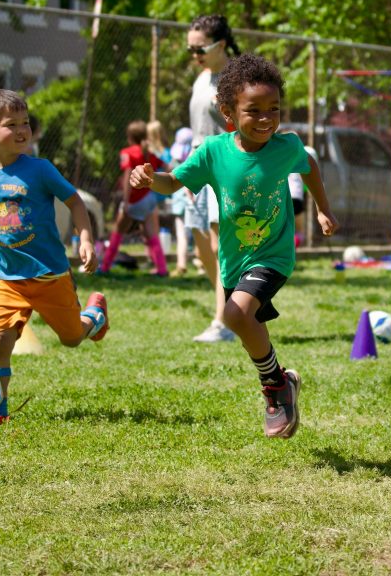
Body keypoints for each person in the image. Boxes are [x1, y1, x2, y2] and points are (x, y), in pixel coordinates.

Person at [129, 53, 339, 439]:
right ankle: (281, 380)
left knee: (236, 315)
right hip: (234, 259)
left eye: (273, 109)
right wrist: (148, 178)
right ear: (228, 111)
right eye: (254, 111)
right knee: (238, 319)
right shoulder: (213, 151)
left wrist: (323, 210)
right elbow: (173, 182)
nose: (265, 119)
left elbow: (309, 165)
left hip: (273, 253)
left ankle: (274, 390)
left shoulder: (285, 147)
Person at [0, 89, 109, 425]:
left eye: (25, 123)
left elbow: (76, 202)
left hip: (50, 275)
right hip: (8, 280)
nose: (23, 130)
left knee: (71, 339)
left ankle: (93, 317)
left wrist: (85, 239)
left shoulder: (40, 170)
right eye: (12, 125)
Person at [186, 14, 239, 342]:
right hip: (197, 165)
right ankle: (230, 307)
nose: (194, 56)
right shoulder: (202, 77)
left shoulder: (234, 79)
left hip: (223, 166)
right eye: (190, 50)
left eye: (199, 49)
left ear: (220, 45)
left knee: (222, 247)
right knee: (200, 244)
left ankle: (224, 323)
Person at [100, 120, 168, 276]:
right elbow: (167, 167)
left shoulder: (128, 153)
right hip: (149, 198)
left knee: (117, 232)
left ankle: (104, 267)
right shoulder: (149, 153)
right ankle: (162, 269)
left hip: (134, 200)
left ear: (129, 137)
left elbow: (128, 177)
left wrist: (125, 201)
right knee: (152, 235)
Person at [168, 127, 196, 276]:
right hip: (193, 201)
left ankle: (181, 264)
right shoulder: (195, 160)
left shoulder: (175, 161)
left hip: (180, 203)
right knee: (199, 233)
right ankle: (200, 263)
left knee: (181, 234)